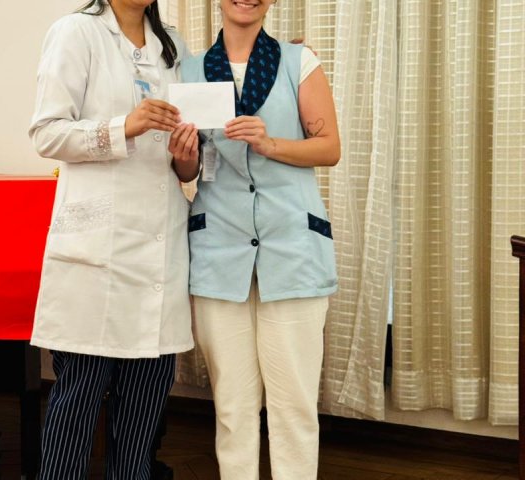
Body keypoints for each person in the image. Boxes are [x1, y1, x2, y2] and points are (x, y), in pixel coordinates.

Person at [28, 1, 199, 478]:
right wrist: (126, 125)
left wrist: (187, 157)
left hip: (159, 252)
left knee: (143, 413)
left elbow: (184, 165)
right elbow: (46, 135)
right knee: (77, 402)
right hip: (96, 256)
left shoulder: (173, 45)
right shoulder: (75, 33)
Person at [178, 0, 341, 478]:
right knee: (232, 406)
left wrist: (270, 144)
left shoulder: (298, 62)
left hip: (292, 249)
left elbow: (329, 147)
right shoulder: (190, 71)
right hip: (218, 251)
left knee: (294, 405)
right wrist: (182, 155)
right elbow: (188, 170)